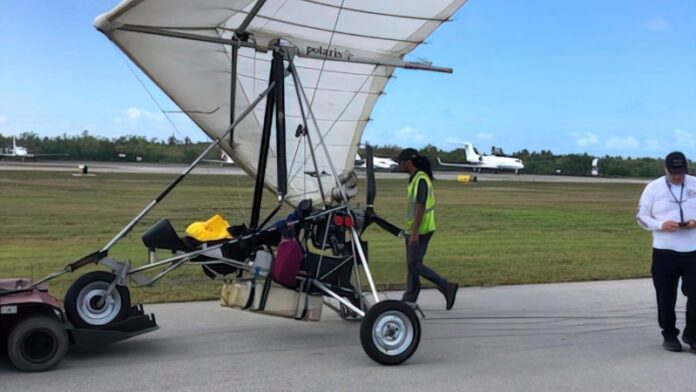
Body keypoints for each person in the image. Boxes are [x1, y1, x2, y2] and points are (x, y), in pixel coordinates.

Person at [636, 151, 696, 352]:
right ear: (665, 169)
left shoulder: (694, 184)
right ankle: (669, 334)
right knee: (666, 296)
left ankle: (693, 335)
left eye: (681, 172)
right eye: (673, 173)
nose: (678, 176)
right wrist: (661, 224)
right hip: (665, 251)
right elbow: (641, 217)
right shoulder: (653, 188)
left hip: (692, 250)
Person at [393, 148, 458, 310]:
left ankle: (445, 286)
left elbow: (421, 206)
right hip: (416, 229)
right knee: (413, 264)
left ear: (408, 161)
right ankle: (410, 298)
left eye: (400, 162)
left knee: (414, 264)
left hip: (421, 230)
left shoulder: (421, 179)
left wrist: (414, 233)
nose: (399, 165)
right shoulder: (415, 178)